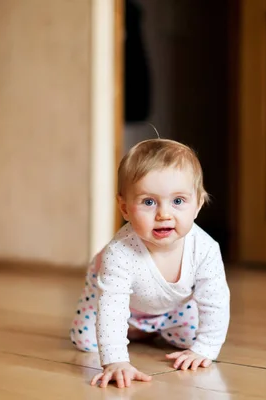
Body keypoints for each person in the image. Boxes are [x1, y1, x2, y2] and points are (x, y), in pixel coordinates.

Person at [70, 138, 230, 388]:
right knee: (86, 341)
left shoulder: (205, 249)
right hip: (116, 297)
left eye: (178, 201)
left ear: (198, 204)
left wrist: (206, 349)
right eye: (148, 202)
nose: (164, 214)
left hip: (172, 306)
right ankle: (134, 327)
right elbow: (112, 306)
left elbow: (215, 301)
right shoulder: (119, 252)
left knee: (191, 341)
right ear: (124, 208)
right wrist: (115, 361)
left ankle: (146, 329)